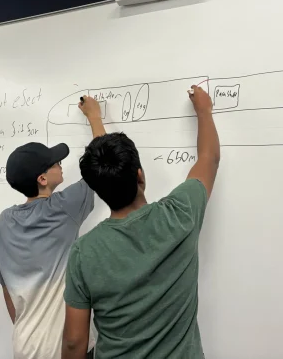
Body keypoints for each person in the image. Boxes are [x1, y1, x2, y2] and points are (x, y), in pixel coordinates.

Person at [62, 86, 221, 359]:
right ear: (141, 176)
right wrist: (204, 112)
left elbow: (75, 343)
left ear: (98, 191)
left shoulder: (84, 252)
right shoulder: (180, 214)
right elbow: (209, 158)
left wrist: (94, 120)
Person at [0, 96, 106, 359]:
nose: (60, 164)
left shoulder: (4, 221)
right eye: (55, 163)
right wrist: (94, 117)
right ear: (42, 179)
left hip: (25, 345)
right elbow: (102, 163)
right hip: (66, 347)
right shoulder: (64, 208)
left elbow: (5, 288)